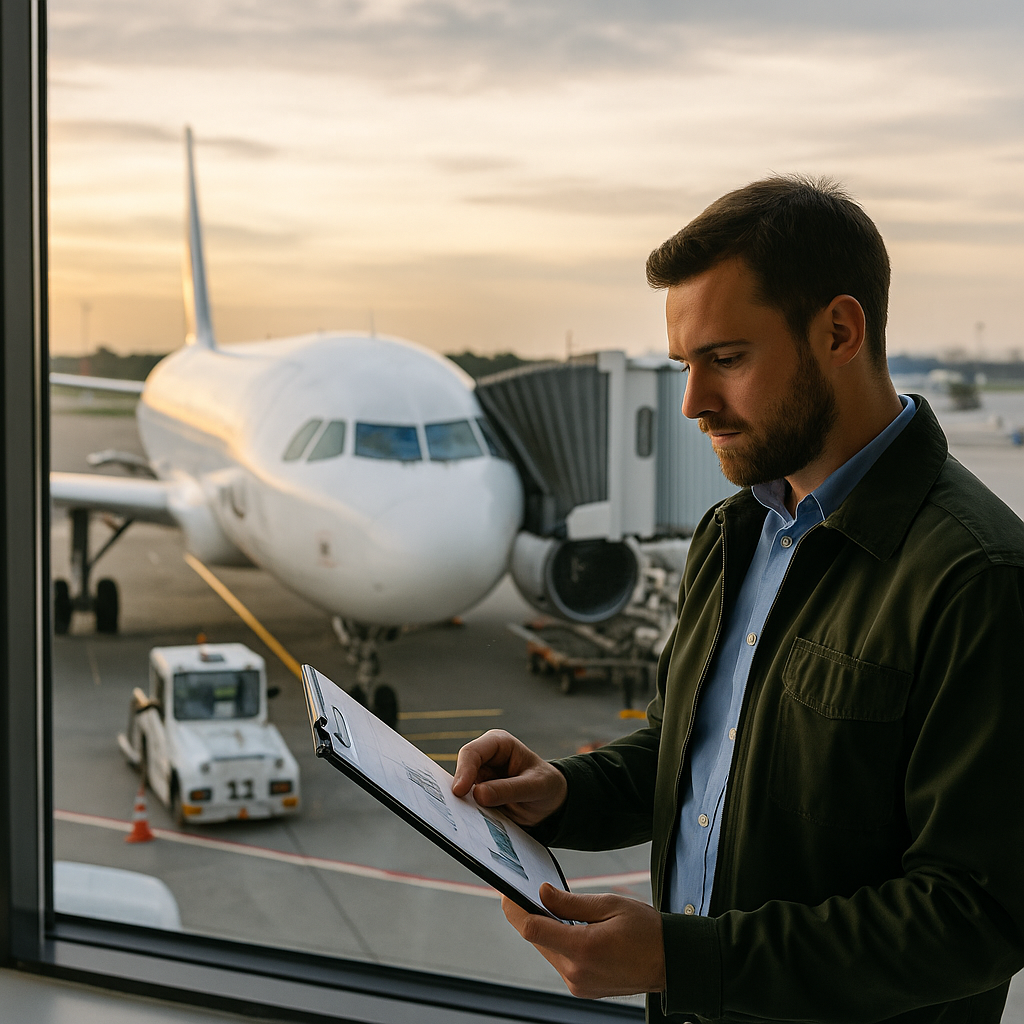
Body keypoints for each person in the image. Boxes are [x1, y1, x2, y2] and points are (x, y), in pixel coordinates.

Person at [452, 177, 1024, 1023]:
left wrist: (687, 961)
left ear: (839, 330)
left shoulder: (977, 576)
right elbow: (704, 745)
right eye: (685, 366)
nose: (694, 404)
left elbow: (978, 917)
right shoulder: (736, 532)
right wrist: (565, 792)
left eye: (725, 360)